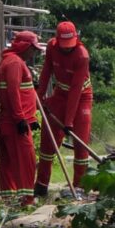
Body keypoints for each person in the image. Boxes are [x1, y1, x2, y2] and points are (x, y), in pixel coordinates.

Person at [34, 21, 94, 197]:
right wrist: (39, 96)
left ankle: (79, 186)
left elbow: (76, 90)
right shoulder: (52, 47)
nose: (67, 49)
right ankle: (41, 184)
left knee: (80, 143)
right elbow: (46, 72)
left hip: (81, 96)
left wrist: (68, 122)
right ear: (57, 40)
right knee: (48, 139)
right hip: (60, 94)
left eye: (70, 46)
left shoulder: (82, 56)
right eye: (64, 46)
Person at [0, 31, 43, 206]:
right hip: (16, 123)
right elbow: (13, 93)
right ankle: (26, 200)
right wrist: (20, 119)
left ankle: (11, 200)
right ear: (25, 47)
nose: (33, 54)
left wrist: (30, 119)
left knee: (12, 162)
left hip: (15, 120)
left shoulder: (8, 61)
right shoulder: (15, 63)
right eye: (33, 49)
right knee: (26, 161)